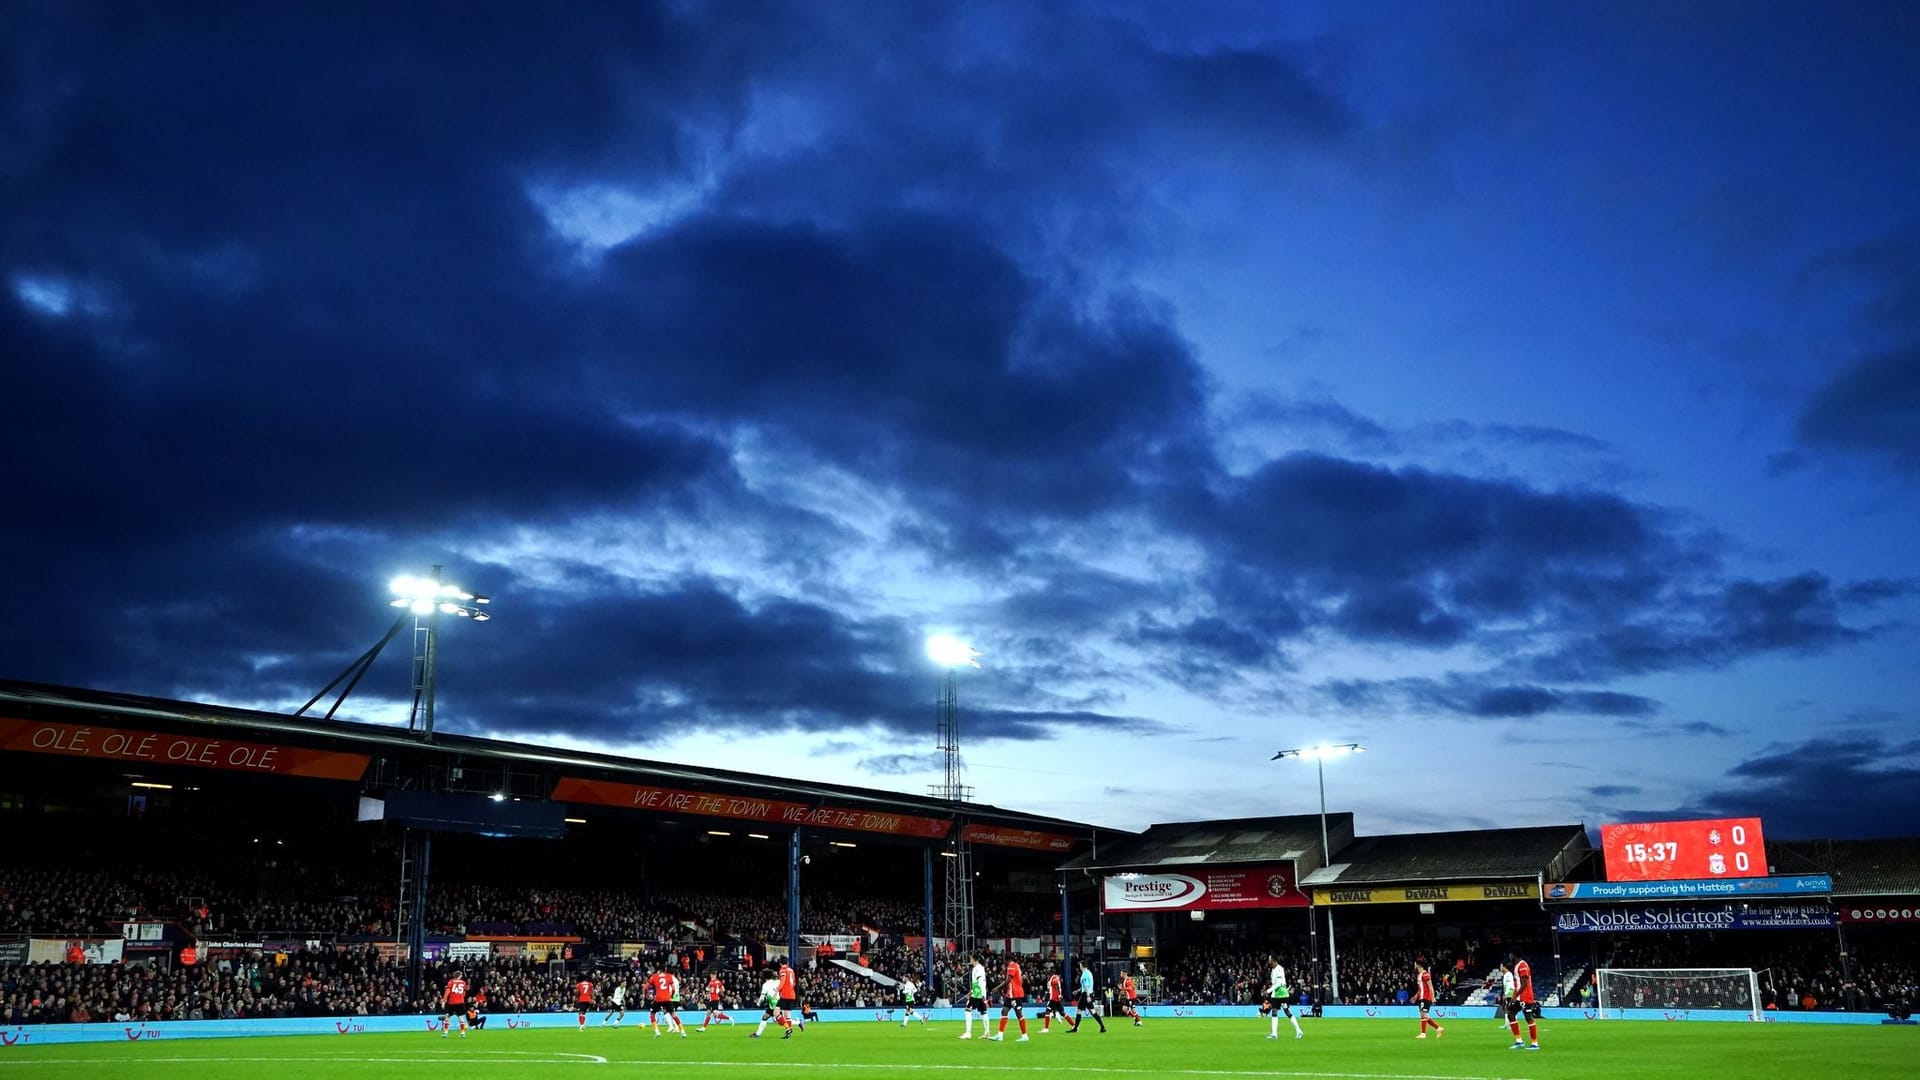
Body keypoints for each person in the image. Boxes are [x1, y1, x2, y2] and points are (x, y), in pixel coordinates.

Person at [1506, 954, 1539, 1051]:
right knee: (1511, 1014)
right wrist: (1514, 997)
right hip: (1519, 997)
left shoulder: (1522, 965)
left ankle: (1535, 1043)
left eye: (1510, 955)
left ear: (1514, 955)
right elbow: (1518, 984)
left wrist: (1515, 996)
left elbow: (1524, 983)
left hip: (1525, 996)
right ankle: (1519, 1041)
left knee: (1528, 1018)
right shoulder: (1517, 965)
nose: (1510, 957)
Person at [992, 955, 1029, 1042]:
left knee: (1019, 1014)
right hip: (1010, 994)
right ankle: (1000, 1035)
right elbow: (1020, 980)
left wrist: (997, 988)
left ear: (1007, 960)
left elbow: (1008, 980)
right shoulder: (1017, 966)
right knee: (1004, 1011)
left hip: (1015, 995)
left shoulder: (1011, 967)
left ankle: (1024, 1036)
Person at [1266, 957, 1302, 1040]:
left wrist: (1268, 991)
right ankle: (1274, 1033)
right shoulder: (1273, 970)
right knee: (1274, 1012)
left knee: (1287, 1012)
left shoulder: (1279, 969)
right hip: (1275, 995)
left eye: (1270, 960)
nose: (1269, 961)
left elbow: (1279, 983)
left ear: (1274, 961)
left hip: (1282, 994)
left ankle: (1298, 1030)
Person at [1068, 960, 1106, 1033]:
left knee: (1079, 1011)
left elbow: (1086, 986)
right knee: (1092, 1011)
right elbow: (1086, 985)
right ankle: (1102, 1027)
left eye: (1080, 965)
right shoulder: (1089, 973)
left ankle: (1075, 1028)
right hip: (1090, 993)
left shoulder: (1084, 975)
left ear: (1082, 965)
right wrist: (1078, 991)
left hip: (1085, 994)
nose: (1079, 966)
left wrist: (1087, 996)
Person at [649, 967, 686, 1037]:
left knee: (664, 1012)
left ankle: (671, 1027)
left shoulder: (667, 977)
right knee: (672, 1013)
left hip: (668, 997)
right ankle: (681, 1031)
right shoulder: (675, 979)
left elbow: (669, 988)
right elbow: (675, 989)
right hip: (674, 997)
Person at [960, 951, 989, 1039]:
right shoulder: (979, 968)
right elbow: (978, 982)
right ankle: (987, 1032)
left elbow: (980, 982)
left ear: (973, 959)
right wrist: (971, 992)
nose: (970, 960)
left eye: (971, 958)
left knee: (967, 1009)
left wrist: (982, 995)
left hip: (978, 994)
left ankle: (968, 1032)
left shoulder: (977, 968)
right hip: (978, 992)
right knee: (983, 1012)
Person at [1414, 961, 1444, 1039]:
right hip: (1421, 997)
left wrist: (1433, 997)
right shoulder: (1419, 975)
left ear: (1418, 965)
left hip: (1426, 997)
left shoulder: (1425, 974)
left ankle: (1423, 1034)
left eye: (1415, 964)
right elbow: (1420, 988)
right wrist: (1415, 996)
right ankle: (1438, 1028)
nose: (1414, 966)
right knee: (1424, 1015)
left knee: (1423, 1014)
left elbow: (1430, 986)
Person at [751, 974, 784, 1039]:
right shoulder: (777, 981)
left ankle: (798, 1022)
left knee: (780, 1021)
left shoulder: (765, 985)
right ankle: (757, 1034)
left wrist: (758, 1003)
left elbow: (762, 997)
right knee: (765, 1017)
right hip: (775, 1002)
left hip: (774, 1003)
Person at [440, 969, 469, 1039]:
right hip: (460, 1002)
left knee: (447, 1016)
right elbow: (464, 994)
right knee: (460, 1017)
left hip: (452, 1002)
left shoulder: (451, 982)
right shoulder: (463, 983)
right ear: (459, 976)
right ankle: (462, 1033)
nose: (462, 976)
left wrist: (444, 1000)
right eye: (461, 975)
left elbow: (447, 991)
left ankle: (445, 1032)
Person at [1040, 969, 1068, 1033]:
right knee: (1062, 1013)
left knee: (1048, 1011)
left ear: (1051, 973)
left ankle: (1046, 1028)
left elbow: (1057, 986)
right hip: (1055, 998)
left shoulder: (1054, 978)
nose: (1048, 975)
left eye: (1048, 973)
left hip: (1054, 998)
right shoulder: (1054, 978)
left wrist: (1059, 995)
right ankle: (1073, 1025)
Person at [777, 961, 800, 1034]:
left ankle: (787, 1028)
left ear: (780, 963)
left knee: (776, 1012)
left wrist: (778, 990)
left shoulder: (782, 970)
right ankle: (789, 1032)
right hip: (792, 995)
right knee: (787, 1015)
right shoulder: (791, 970)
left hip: (785, 995)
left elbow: (783, 981)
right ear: (787, 963)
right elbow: (794, 983)